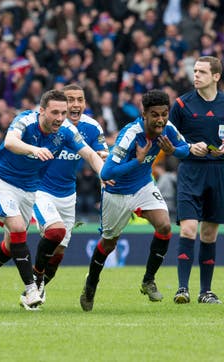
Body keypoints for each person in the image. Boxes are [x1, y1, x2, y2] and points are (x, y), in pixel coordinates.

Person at [0, 90, 106, 310]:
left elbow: (89, 154)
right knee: (19, 228)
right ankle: (32, 289)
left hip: (29, 188)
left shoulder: (67, 130)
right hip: (2, 181)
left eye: (63, 113)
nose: (60, 118)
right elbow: (10, 141)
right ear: (42, 111)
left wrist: (103, 175)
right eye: (55, 112)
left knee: (11, 244)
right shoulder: (25, 120)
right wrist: (34, 149)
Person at [80, 89, 190, 312]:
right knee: (109, 243)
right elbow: (107, 173)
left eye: (164, 114)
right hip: (117, 192)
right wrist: (138, 161)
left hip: (143, 186)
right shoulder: (130, 135)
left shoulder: (167, 129)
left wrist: (174, 151)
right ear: (144, 114)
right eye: (155, 115)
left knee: (165, 227)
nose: (160, 119)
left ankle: (148, 280)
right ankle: (91, 283)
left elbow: (186, 149)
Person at [31, 84, 108, 299]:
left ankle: (38, 286)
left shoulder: (91, 128)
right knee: (54, 233)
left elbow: (100, 155)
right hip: (40, 189)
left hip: (67, 194)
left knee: (59, 252)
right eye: (70, 100)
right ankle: (33, 284)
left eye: (80, 100)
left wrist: (105, 169)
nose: (75, 105)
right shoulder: (47, 125)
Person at [170, 55, 224, 304]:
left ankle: (206, 291)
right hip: (191, 171)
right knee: (189, 229)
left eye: (202, 72)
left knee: (210, 234)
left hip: (219, 172)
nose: (196, 76)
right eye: (195, 71)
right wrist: (189, 148)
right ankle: (182, 288)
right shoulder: (181, 104)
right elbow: (168, 142)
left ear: (216, 76)